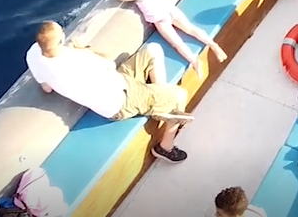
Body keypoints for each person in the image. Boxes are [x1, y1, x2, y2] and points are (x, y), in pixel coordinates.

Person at [26, 21, 192, 164]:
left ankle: (158, 100)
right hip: (121, 101)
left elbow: (46, 88)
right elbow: (108, 62)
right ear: (61, 39)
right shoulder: (78, 59)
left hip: (119, 82)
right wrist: (85, 49)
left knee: (152, 50)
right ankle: (165, 147)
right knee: (180, 95)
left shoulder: (33, 54)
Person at [114, 0, 227, 79]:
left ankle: (195, 62)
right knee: (191, 29)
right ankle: (214, 45)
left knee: (177, 42)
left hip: (160, 19)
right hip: (170, 9)